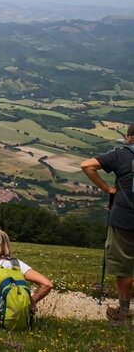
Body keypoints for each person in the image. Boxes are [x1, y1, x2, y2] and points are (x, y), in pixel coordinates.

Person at [81, 123, 134, 323]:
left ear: (129, 138)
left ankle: (123, 312)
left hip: (124, 218)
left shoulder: (122, 154)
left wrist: (108, 189)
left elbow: (87, 165)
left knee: (123, 267)